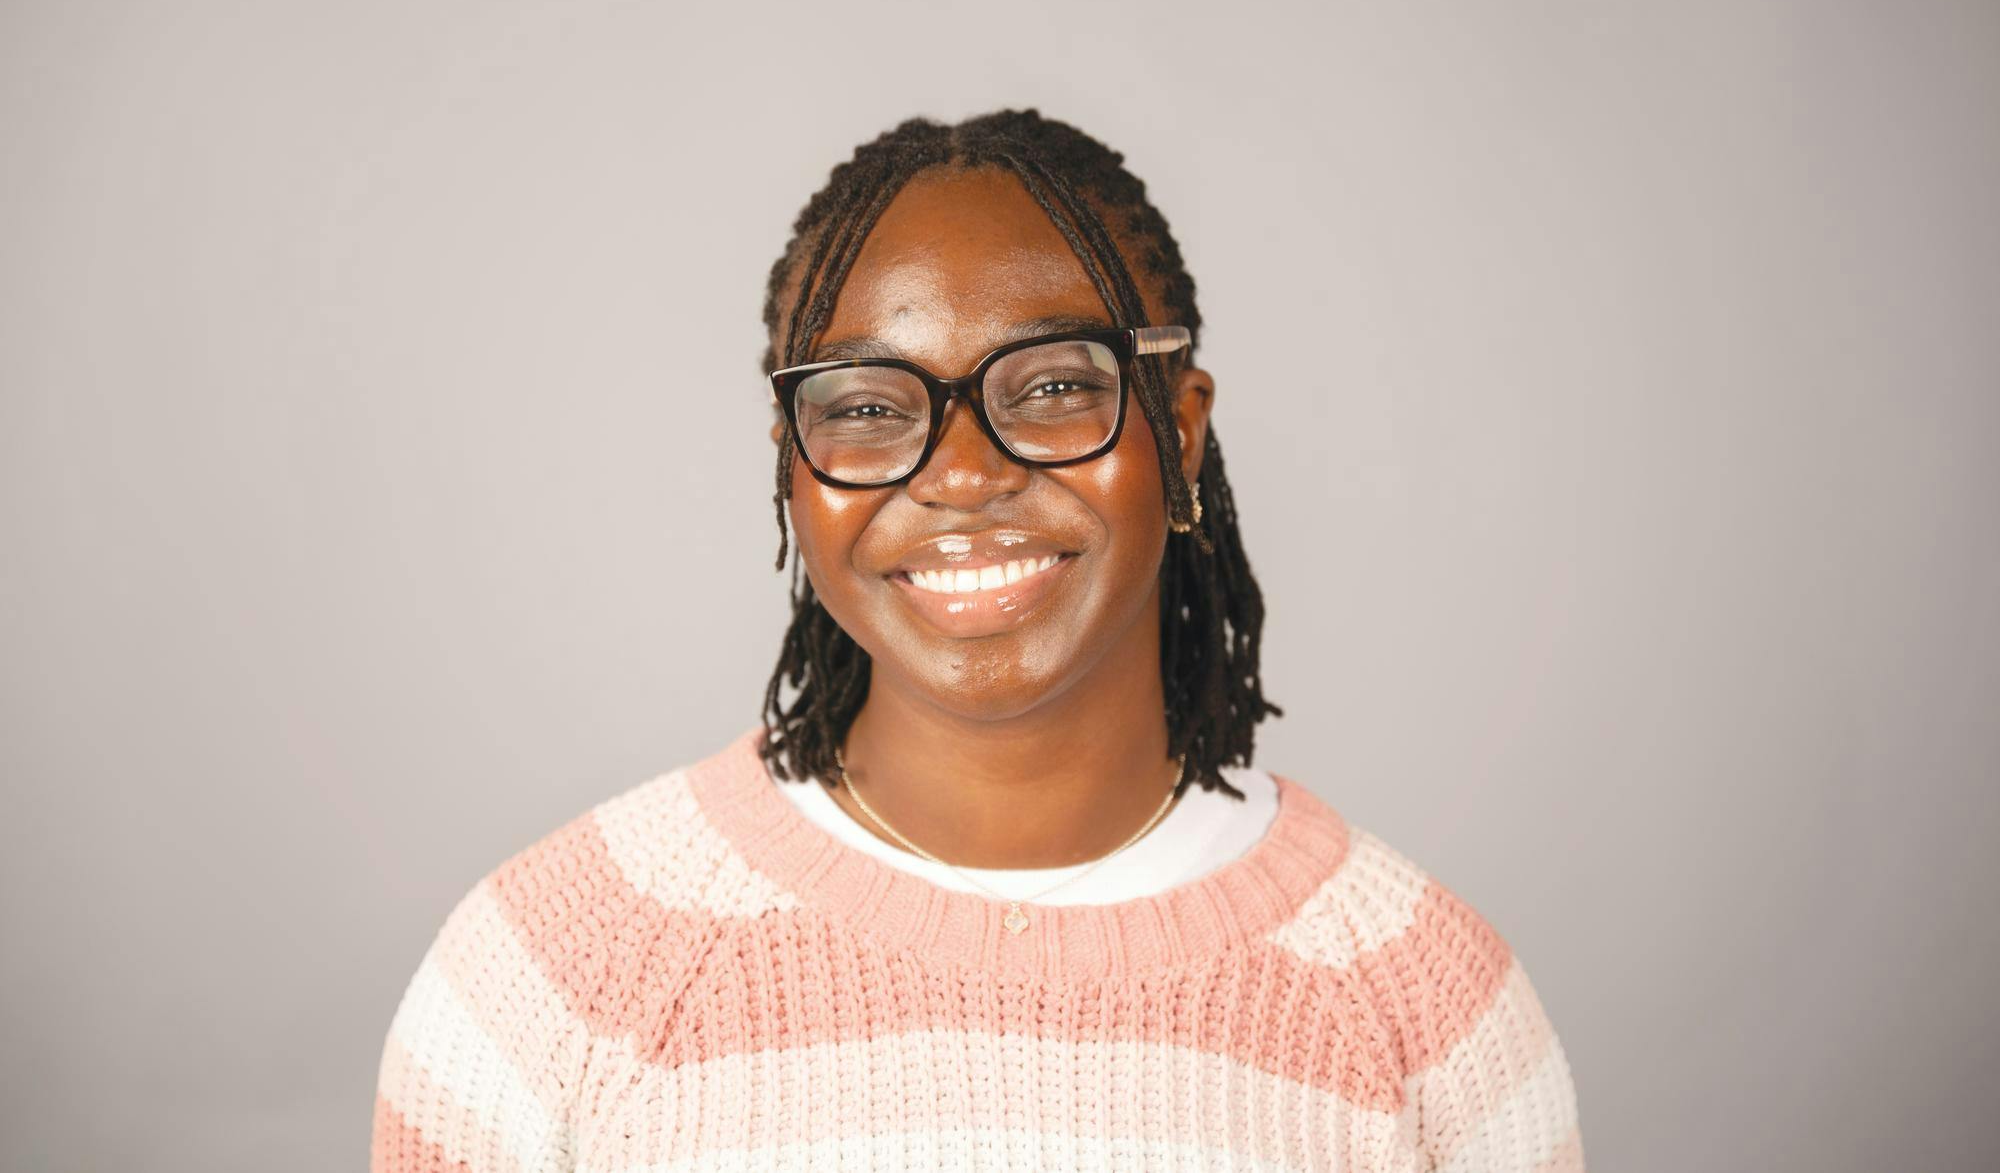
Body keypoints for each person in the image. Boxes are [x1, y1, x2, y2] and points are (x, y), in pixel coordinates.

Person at [369, 109, 1586, 1171]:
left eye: (1053, 385)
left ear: (1181, 428)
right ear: (792, 469)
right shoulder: (545, 973)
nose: (959, 473)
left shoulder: (1427, 1001)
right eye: (863, 406)